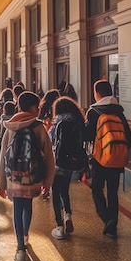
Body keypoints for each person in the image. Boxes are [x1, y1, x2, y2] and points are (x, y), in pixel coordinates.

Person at [0, 91, 56, 261]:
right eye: (37, 107)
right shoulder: (38, 127)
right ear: (30, 108)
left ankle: (20, 248)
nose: (38, 110)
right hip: (32, 177)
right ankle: (25, 235)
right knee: (27, 205)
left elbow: (2, 156)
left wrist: (1, 183)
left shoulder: (10, 126)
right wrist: (48, 181)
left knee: (17, 208)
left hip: (13, 178)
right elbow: (48, 157)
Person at [84, 80, 131, 238]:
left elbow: (88, 136)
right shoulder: (119, 111)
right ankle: (113, 225)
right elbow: (129, 138)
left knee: (97, 188)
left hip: (99, 159)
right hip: (117, 158)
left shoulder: (93, 112)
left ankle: (106, 218)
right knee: (113, 191)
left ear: (97, 93)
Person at [47, 96, 85, 239]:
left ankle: (59, 226)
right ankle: (67, 215)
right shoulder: (77, 122)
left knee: (55, 193)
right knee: (65, 191)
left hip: (58, 162)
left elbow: (54, 143)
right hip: (71, 162)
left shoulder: (58, 123)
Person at [0, 101, 16, 183]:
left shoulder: (2, 120)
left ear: (4, 110)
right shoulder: (15, 120)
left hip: (1, 142)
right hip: (12, 142)